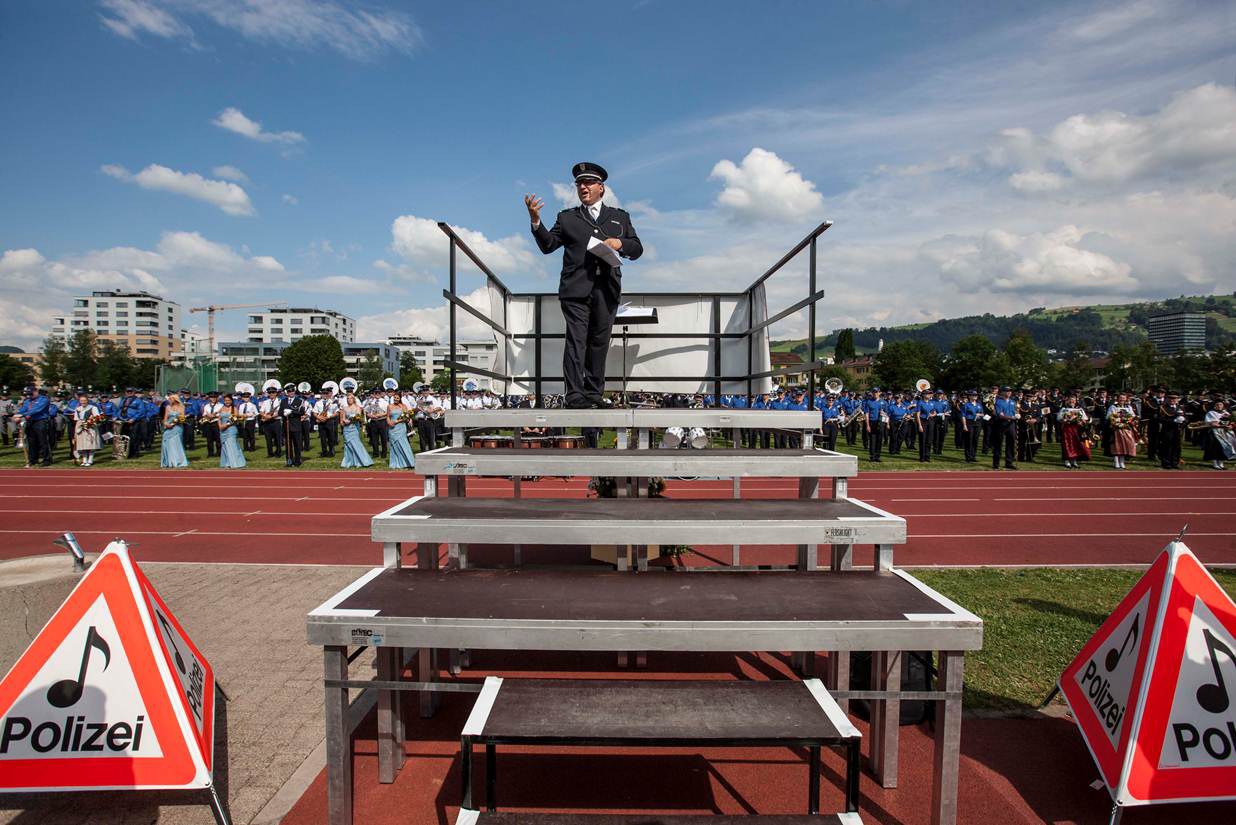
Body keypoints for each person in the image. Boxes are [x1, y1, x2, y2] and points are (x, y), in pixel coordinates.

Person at [526, 162, 643, 409]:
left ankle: (593, 394)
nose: (583, 187)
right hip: (576, 291)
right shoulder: (567, 218)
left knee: (599, 343)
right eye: (579, 183)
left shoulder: (620, 217)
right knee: (577, 341)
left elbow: (637, 248)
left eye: (588, 182)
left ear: (601, 187)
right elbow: (548, 245)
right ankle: (574, 395)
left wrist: (620, 243)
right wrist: (536, 221)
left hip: (607, 290)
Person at [339, 391, 374, 468]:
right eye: (348, 398)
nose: (349, 400)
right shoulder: (344, 408)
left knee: (356, 444)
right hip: (346, 429)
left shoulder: (357, 407)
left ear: (353, 399)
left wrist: (350, 420)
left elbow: (358, 417)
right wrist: (344, 421)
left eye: (350, 398)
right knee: (348, 445)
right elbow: (342, 418)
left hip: (354, 428)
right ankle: (349, 462)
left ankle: (363, 461)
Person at [385, 390, 416, 470]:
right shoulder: (389, 406)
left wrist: (397, 421)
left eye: (397, 398)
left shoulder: (403, 406)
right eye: (394, 398)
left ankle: (409, 462)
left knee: (403, 444)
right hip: (392, 429)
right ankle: (396, 463)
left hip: (401, 427)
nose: (395, 399)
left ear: (400, 399)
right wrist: (389, 422)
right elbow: (388, 416)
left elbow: (406, 417)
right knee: (394, 445)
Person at [1107, 392, 1139, 470]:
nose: (1122, 399)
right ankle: (1116, 462)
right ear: (1117, 398)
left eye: (1123, 398)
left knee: (1125, 445)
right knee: (1117, 445)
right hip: (1116, 429)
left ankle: (1122, 461)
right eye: (1120, 398)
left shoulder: (1128, 407)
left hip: (1126, 429)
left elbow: (1132, 416)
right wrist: (1115, 420)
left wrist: (1129, 420)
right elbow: (1108, 416)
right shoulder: (1113, 406)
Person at [1058, 392, 1090, 469]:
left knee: (1076, 444)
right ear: (1068, 400)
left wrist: (1081, 421)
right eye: (1070, 400)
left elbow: (1085, 418)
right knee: (1067, 444)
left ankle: (1074, 460)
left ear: (1076, 400)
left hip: (1077, 429)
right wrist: (1065, 420)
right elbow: (1059, 418)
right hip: (1067, 429)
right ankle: (1067, 460)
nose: (1072, 401)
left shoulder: (1079, 408)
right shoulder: (1064, 408)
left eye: (1073, 400)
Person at [280, 383, 307, 467]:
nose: (291, 392)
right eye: (289, 391)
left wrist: (292, 412)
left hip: (296, 426)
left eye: (292, 391)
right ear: (287, 392)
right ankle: (289, 460)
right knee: (288, 445)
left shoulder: (299, 401)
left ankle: (297, 461)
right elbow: (279, 412)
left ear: (294, 391)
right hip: (286, 426)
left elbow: (302, 412)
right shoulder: (283, 401)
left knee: (297, 444)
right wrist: (283, 413)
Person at [1157, 391, 1186, 470]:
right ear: (1167, 399)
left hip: (1178, 430)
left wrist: (1183, 422)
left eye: (1174, 398)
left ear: (1177, 399)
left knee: (1177, 446)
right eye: (1170, 398)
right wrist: (1173, 421)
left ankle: (1175, 462)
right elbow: (1160, 419)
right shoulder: (1163, 408)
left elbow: (1186, 418)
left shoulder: (1181, 407)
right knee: (1167, 446)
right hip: (1168, 430)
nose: (1172, 400)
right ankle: (1166, 463)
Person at [991, 386, 1019, 470]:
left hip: (1011, 424)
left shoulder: (1013, 402)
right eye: (1007, 391)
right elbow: (1000, 415)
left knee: (1011, 443)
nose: (1009, 392)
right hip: (1001, 424)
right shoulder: (998, 402)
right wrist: (1011, 418)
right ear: (1002, 392)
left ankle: (1009, 462)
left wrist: (1017, 415)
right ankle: (996, 463)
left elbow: (1015, 412)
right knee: (998, 443)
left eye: (1010, 391)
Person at [160, 391, 190, 468]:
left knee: (176, 443)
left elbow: (182, 418)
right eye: (169, 399)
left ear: (175, 399)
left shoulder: (181, 407)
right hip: (168, 428)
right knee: (167, 442)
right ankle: (169, 461)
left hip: (177, 428)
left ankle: (178, 461)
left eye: (170, 399)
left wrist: (174, 423)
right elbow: (164, 419)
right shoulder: (167, 407)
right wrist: (166, 424)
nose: (169, 400)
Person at [71, 390, 101, 467]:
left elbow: (97, 417)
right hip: (81, 427)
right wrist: (78, 428)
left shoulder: (93, 408)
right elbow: (77, 419)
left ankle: (90, 460)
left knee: (90, 444)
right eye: (81, 401)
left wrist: (89, 423)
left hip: (91, 427)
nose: (83, 402)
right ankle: (84, 460)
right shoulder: (77, 409)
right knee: (82, 444)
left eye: (84, 400)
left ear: (87, 400)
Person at [218, 394, 246, 469]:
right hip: (222, 430)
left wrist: (226, 425)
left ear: (231, 401)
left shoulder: (234, 408)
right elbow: (219, 418)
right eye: (226, 400)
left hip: (231, 429)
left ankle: (237, 463)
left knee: (232, 445)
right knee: (225, 447)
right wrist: (220, 426)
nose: (227, 402)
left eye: (228, 400)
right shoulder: (221, 408)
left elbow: (235, 420)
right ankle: (227, 463)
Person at [1202, 400, 1231, 470]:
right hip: (1214, 432)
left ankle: (1221, 463)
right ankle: (1215, 463)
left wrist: (1230, 425)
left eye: (1220, 404)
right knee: (1215, 447)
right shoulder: (1211, 413)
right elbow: (1210, 423)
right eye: (1217, 405)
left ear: (1223, 405)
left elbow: (1231, 422)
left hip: (1224, 432)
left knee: (1223, 447)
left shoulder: (1226, 413)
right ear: (1214, 405)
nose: (1219, 406)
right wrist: (1218, 424)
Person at [315, 385, 340, 458]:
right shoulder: (318, 403)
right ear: (321, 394)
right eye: (323, 393)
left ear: (328, 394)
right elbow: (314, 412)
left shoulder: (332, 402)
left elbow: (337, 412)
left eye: (326, 393)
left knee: (330, 437)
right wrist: (318, 417)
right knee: (322, 438)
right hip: (321, 422)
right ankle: (324, 452)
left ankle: (331, 451)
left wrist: (329, 416)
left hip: (329, 421)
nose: (325, 395)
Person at [863, 387, 887, 462]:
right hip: (872, 422)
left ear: (879, 393)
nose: (875, 393)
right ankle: (872, 456)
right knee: (872, 440)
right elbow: (866, 413)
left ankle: (877, 456)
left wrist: (884, 414)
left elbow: (887, 414)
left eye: (876, 392)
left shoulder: (884, 402)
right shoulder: (869, 402)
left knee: (879, 440)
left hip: (880, 422)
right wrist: (867, 425)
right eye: (874, 392)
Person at [259, 385, 283, 457]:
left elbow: (280, 412)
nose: (271, 394)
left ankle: (278, 452)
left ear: (276, 393)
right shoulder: (265, 402)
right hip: (267, 422)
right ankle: (270, 453)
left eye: (273, 392)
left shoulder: (280, 401)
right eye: (270, 393)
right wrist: (265, 416)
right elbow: (261, 411)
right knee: (268, 438)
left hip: (276, 422)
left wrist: (271, 416)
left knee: (278, 438)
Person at [960, 390, 983, 463]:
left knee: (975, 440)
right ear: (969, 396)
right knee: (969, 440)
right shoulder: (966, 405)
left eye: (976, 395)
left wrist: (979, 415)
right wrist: (964, 425)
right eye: (973, 395)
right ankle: (968, 457)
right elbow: (963, 416)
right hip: (969, 423)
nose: (975, 396)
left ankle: (973, 456)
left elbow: (982, 414)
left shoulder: (979, 404)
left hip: (978, 423)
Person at [200, 390, 223, 458]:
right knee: (209, 439)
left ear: (217, 398)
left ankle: (219, 452)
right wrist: (208, 416)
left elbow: (221, 414)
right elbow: (204, 414)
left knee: (218, 439)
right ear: (209, 398)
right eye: (211, 397)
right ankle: (210, 453)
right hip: (208, 423)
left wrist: (214, 416)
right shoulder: (206, 406)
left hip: (216, 423)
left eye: (214, 397)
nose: (213, 399)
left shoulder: (221, 405)